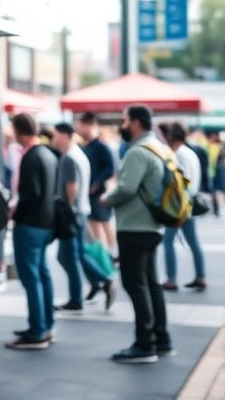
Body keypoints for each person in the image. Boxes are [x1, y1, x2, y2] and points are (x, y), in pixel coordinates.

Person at [100, 105, 173, 363]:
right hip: (153, 225)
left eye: (124, 120)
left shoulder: (137, 152)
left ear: (136, 123)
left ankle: (145, 344)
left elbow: (126, 188)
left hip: (135, 225)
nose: (122, 125)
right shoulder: (159, 147)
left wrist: (106, 198)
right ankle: (161, 339)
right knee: (151, 283)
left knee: (135, 284)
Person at [51, 122, 116, 313]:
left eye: (56, 135)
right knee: (73, 254)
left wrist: (67, 210)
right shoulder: (80, 154)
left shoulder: (69, 158)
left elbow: (72, 187)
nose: (54, 139)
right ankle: (99, 281)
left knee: (69, 256)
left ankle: (93, 286)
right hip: (81, 211)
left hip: (72, 214)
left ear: (65, 135)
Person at [6, 113, 58, 350]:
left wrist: (14, 212)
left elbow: (31, 194)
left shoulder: (31, 157)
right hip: (46, 223)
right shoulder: (48, 154)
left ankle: (37, 330)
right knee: (42, 275)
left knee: (32, 278)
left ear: (18, 130)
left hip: (30, 224)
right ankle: (45, 325)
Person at [159, 122, 207, 292]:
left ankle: (171, 279)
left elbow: (180, 183)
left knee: (168, 241)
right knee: (193, 242)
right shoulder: (190, 153)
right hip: (190, 201)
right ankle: (200, 276)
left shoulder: (179, 154)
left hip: (181, 204)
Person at [76, 112, 118, 263]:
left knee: (102, 225)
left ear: (89, 126)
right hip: (91, 193)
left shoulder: (101, 146)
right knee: (98, 225)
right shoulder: (88, 146)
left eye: (80, 126)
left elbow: (110, 169)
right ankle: (107, 255)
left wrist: (97, 183)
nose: (78, 130)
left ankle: (109, 256)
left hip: (98, 194)